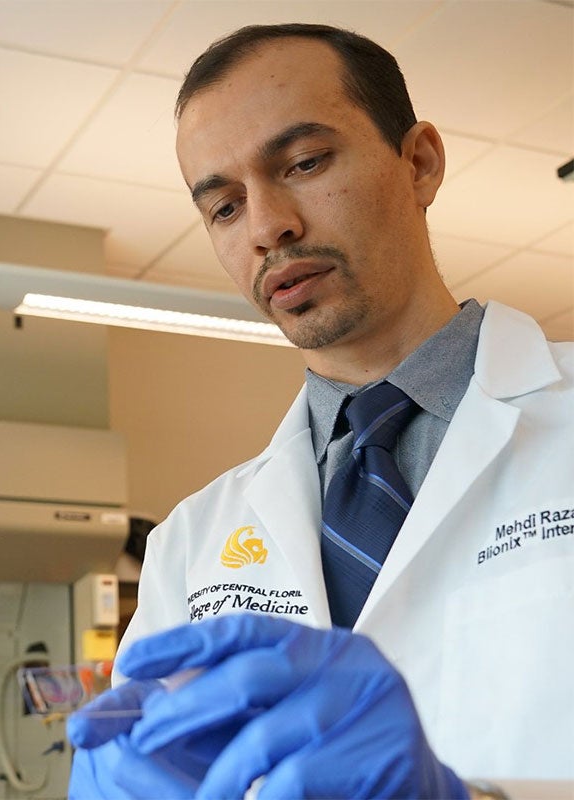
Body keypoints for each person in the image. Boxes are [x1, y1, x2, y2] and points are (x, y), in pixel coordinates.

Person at [66, 23, 573, 800]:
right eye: (225, 208)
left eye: (303, 163)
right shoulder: (191, 545)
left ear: (420, 163)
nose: (269, 226)